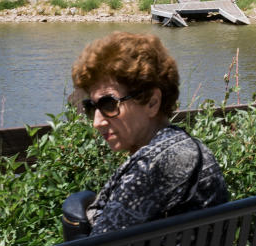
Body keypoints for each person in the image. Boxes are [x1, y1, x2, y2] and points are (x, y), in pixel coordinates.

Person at [71, 32, 228, 235]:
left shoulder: (153, 167)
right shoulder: (194, 150)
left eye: (109, 104)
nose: (97, 122)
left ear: (152, 102)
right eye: (92, 107)